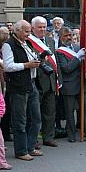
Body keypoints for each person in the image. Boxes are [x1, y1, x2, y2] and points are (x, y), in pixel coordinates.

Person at [2, 19, 43, 160]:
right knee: (20, 120)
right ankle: (21, 150)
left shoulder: (28, 43)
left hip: (31, 83)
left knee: (36, 117)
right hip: (18, 86)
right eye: (26, 31)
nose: (29, 34)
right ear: (17, 30)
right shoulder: (9, 44)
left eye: (29, 31)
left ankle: (30, 146)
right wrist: (26, 65)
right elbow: (7, 66)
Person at [56, 27, 86, 142]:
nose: (69, 37)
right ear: (61, 37)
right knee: (70, 112)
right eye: (65, 36)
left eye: (70, 35)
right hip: (69, 86)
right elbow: (66, 68)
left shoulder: (78, 48)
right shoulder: (59, 52)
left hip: (82, 84)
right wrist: (77, 57)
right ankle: (71, 135)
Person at [27, 16, 59, 147]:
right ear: (32, 28)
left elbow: (55, 61)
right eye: (39, 27)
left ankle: (48, 137)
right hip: (37, 81)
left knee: (50, 111)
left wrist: (58, 79)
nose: (42, 29)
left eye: (44, 27)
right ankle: (33, 140)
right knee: (35, 114)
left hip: (51, 80)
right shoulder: (29, 41)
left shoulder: (50, 40)